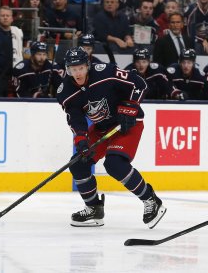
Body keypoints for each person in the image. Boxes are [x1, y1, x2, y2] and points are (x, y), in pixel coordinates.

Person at [56, 46, 167, 228]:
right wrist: (81, 139)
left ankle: (151, 201)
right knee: (78, 164)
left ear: (88, 65)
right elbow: (75, 119)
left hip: (127, 124)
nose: (77, 73)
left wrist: (129, 108)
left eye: (81, 68)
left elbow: (139, 83)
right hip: (101, 128)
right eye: (73, 69)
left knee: (114, 164)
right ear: (67, 70)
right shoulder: (65, 91)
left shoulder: (106, 72)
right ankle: (94, 209)